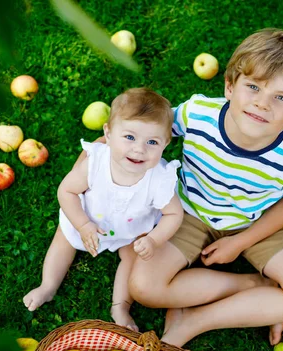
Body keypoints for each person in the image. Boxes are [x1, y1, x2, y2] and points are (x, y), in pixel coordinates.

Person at [126, 28, 283, 347]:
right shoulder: (198, 115)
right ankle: (253, 286)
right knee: (143, 287)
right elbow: (154, 130)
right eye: (253, 87)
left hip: (256, 219)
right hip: (189, 211)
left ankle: (196, 320)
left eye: (281, 98)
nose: (262, 104)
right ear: (229, 87)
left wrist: (240, 242)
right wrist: (109, 147)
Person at [23, 88, 184, 331]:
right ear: (108, 133)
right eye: (129, 137)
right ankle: (48, 285)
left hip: (131, 232)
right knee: (64, 238)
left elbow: (174, 214)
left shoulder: (159, 178)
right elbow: (66, 191)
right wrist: (82, 225)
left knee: (132, 257)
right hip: (89, 217)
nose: (139, 149)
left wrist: (153, 239)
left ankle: (120, 307)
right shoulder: (96, 162)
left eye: (152, 142)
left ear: (166, 144)